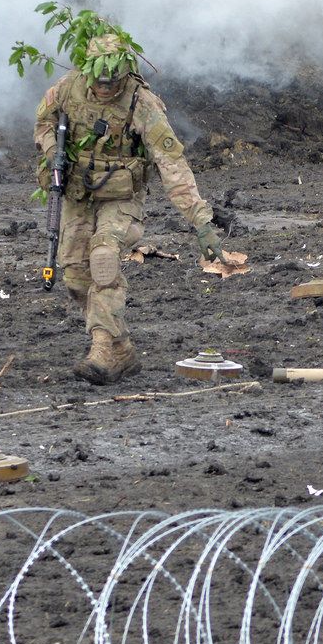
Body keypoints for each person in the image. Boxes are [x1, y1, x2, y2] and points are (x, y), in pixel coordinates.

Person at [34, 27, 225, 383]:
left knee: (103, 258)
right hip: (78, 194)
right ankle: (121, 348)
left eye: (113, 81)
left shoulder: (141, 103)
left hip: (122, 199)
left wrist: (201, 221)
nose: (105, 87)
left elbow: (172, 163)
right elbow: (44, 121)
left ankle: (102, 350)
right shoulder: (68, 89)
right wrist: (52, 151)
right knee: (76, 276)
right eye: (99, 80)